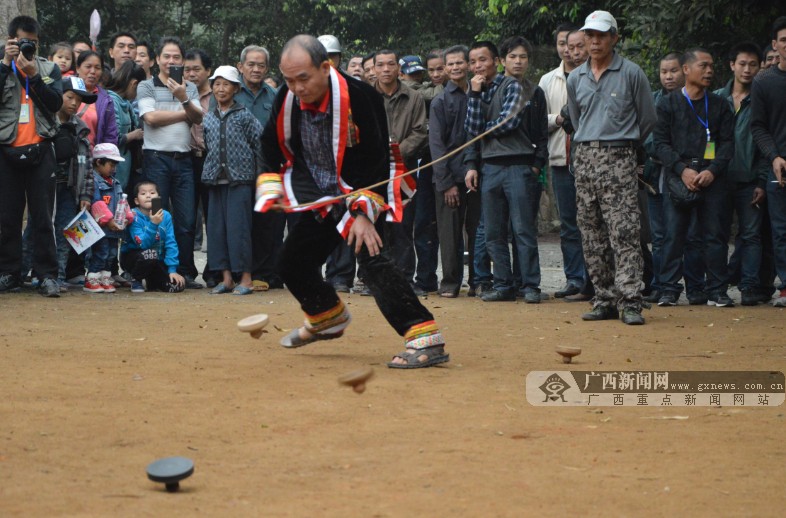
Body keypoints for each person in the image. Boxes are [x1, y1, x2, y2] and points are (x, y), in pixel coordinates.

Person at [256, 35, 448, 369]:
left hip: (363, 184)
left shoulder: (360, 95)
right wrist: (273, 189)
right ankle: (326, 318)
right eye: (289, 80)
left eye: (304, 78)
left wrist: (362, 213)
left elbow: (374, 157)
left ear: (325, 67)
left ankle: (424, 337)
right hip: (319, 191)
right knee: (292, 262)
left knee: (370, 256)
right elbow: (271, 144)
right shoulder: (285, 97)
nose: (297, 87)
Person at [566, 10, 657, 324]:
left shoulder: (631, 73)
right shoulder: (576, 77)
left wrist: (622, 144)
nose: (594, 41)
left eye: (601, 35)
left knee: (625, 231)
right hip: (585, 158)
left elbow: (647, 119)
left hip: (619, 156)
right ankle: (603, 298)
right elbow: (576, 120)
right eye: (590, 35)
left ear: (614, 38)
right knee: (591, 233)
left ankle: (630, 300)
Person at [464, 38, 548, 303]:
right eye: (474, 61)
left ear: (495, 62)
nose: (479, 66)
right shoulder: (482, 89)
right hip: (490, 167)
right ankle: (503, 284)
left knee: (522, 230)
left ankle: (530, 286)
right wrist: (475, 95)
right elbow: (471, 128)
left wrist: (535, 165)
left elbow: (507, 123)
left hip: (517, 166)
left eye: (483, 60)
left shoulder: (514, 86)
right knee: (493, 231)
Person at [653, 48, 735, 307]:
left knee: (715, 235)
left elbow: (728, 143)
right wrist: (681, 169)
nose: (709, 71)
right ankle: (668, 289)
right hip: (680, 176)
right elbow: (659, 143)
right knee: (673, 235)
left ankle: (717, 290)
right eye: (703, 66)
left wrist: (712, 170)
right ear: (686, 70)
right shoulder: (666, 104)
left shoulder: (720, 105)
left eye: (711, 66)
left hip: (712, 177)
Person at [0, 15, 63, 297]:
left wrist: (33, 76)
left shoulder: (49, 68)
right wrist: (5, 65)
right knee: (7, 218)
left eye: (33, 43)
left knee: (42, 218)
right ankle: (9, 273)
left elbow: (55, 103)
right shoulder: (1, 65)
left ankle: (47, 275)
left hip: (41, 149)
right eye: (23, 41)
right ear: (11, 40)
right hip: (6, 148)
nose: (29, 47)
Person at [136, 36, 203, 288]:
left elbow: (197, 118)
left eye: (176, 57)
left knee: (186, 222)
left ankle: (185, 273)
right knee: (155, 216)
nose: (171, 61)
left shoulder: (191, 87)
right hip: (155, 160)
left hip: (184, 161)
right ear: (157, 60)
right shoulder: (147, 86)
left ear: (183, 61)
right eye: (167, 56)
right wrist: (182, 114)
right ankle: (158, 274)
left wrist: (183, 98)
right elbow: (150, 118)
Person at [643, 53, 706, 305]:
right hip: (656, 176)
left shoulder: (697, 101)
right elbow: (648, 139)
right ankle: (662, 286)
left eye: (673, 71)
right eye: (663, 72)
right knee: (659, 235)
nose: (668, 76)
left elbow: (699, 140)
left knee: (692, 234)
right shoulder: (653, 101)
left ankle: (695, 286)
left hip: (689, 175)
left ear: (685, 71)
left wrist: (678, 159)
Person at [374, 49, 435, 295]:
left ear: (398, 69)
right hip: (374, 170)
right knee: (375, 223)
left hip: (403, 169)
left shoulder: (414, 97)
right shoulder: (366, 96)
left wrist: (397, 152)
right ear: (375, 68)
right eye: (381, 65)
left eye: (391, 64)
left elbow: (421, 131)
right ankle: (377, 279)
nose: (386, 69)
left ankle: (405, 279)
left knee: (402, 225)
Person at [715, 42, 770, 306]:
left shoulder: (762, 101)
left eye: (753, 65)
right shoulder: (716, 99)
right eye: (742, 64)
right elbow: (707, 138)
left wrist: (761, 180)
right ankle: (717, 288)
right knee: (716, 234)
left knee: (750, 235)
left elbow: (765, 144)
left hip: (750, 180)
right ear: (732, 65)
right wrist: (709, 168)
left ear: (760, 68)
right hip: (719, 180)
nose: (747, 70)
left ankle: (749, 287)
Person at [202, 66, 263, 295]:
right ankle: (226, 278)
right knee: (217, 231)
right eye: (216, 84)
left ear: (236, 88)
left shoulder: (245, 115)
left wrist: (260, 178)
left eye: (226, 84)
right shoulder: (209, 118)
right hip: (215, 180)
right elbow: (208, 145)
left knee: (239, 230)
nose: (220, 88)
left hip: (241, 180)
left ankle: (246, 279)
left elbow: (260, 145)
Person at [429, 45, 481, 298]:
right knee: (449, 233)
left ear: (469, 65)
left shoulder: (479, 94)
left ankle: (478, 280)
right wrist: (446, 183)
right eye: (450, 64)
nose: (455, 67)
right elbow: (436, 146)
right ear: (445, 68)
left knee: (478, 229)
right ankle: (450, 282)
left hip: (477, 173)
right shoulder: (440, 100)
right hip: (449, 177)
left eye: (460, 62)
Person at [539, 24, 586, 299]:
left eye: (576, 45)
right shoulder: (548, 80)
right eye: (563, 44)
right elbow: (538, 120)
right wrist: (557, 119)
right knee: (569, 223)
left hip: (592, 160)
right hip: (560, 159)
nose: (569, 50)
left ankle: (597, 279)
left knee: (594, 223)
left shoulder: (595, 75)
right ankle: (574, 279)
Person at [236, 44, 283, 291]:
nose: (256, 69)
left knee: (268, 221)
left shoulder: (274, 96)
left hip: (268, 167)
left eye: (261, 65)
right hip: (236, 169)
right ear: (240, 66)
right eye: (251, 64)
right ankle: (239, 271)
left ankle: (265, 273)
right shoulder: (231, 92)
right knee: (241, 221)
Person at [751, 16, 786, 307]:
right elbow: (758, 126)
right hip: (780, 168)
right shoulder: (764, 81)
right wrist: (774, 156)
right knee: (781, 230)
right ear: (775, 45)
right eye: (784, 40)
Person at [49, 77, 95, 289]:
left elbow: (87, 167)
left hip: (69, 189)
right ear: (58, 95)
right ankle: (24, 272)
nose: (75, 103)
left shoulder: (81, 129)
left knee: (66, 231)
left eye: (79, 100)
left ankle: (58, 276)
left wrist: (85, 195)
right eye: (70, 97)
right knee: (36, 229)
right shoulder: (46, 122)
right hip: (45, 187)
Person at [184, 48, 216, 285]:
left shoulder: (219, 95)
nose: (191, 74)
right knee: (185, 218)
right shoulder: (178, 94)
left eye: (196, 69)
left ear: (208, 71)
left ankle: (214, 271)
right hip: (185, 160)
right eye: (187, 70)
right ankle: (186, 270)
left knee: (213, 217)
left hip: (211, 159)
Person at [120, 180, 186, 293]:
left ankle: (153, 281)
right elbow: (143, 244)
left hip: (157, 261)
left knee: (176, 286)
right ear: (136, 200)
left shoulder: (165, 216)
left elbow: (171, 243)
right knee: (150, 254)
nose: (148, 196)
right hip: (134, 258)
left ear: (158, 197)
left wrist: (172, 270)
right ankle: (136, 279)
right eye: (143, 193)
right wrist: (153, 224)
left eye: (152, 193)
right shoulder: (133, 216)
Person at [85, 143, 134, 293]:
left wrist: (127, 217)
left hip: (114, 228)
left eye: (115, 165)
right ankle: (92, 278)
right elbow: (96, 202)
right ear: (98, 162)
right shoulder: (94, 181)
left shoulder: (115, 182)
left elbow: (122, 201)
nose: (114, 168)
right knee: (101, 252)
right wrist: (108, 220)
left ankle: (105, 277)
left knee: (111, 254)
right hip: (100, 228)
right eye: (111, 164)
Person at [105, 61, 145, 189]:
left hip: (125, 166)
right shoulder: (111, 101)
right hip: (114, 168)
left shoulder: (125, 102)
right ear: (134, 84)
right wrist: (133, 135)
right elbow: (112, 138)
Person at [75, 50, 118, 148]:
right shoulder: (64, 90)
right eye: (88, 67)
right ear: (78, 68)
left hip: (91, 157)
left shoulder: (106, 100)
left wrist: (106, 160)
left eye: (97, 68)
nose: (93, 71)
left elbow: (110, 135)